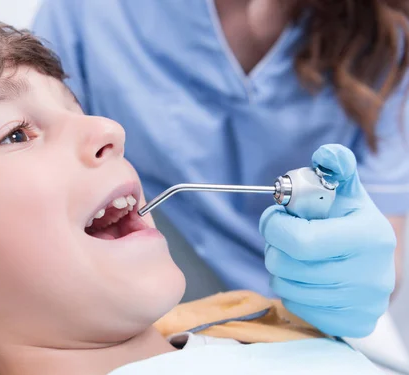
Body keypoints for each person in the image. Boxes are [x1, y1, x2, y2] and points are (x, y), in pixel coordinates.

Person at [0, 11, 402, 375]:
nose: (110, 129)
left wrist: (345, 281)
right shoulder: (98, 14)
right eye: (17, 132)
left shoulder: (249, 320)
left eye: (77, 108)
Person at [32, 0, 409, 307]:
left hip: (288, 310)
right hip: (130, 288)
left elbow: (380, 262)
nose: (107, 136)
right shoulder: (89, 13)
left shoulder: (383, 37)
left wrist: (352, 274)